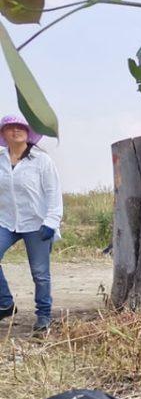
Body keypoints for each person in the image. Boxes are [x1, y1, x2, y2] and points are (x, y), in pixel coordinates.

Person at [0, 115, 63, 333]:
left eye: (20, 127)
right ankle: (6, 303)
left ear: (28, 133)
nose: (15, 131)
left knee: (40, 272)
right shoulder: (0, 159)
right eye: (10, 127)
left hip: (37, 222)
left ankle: (43, 315)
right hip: (7, 221)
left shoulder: (40, 160)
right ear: (3, 133)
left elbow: (53, 192)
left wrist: (51, 221)